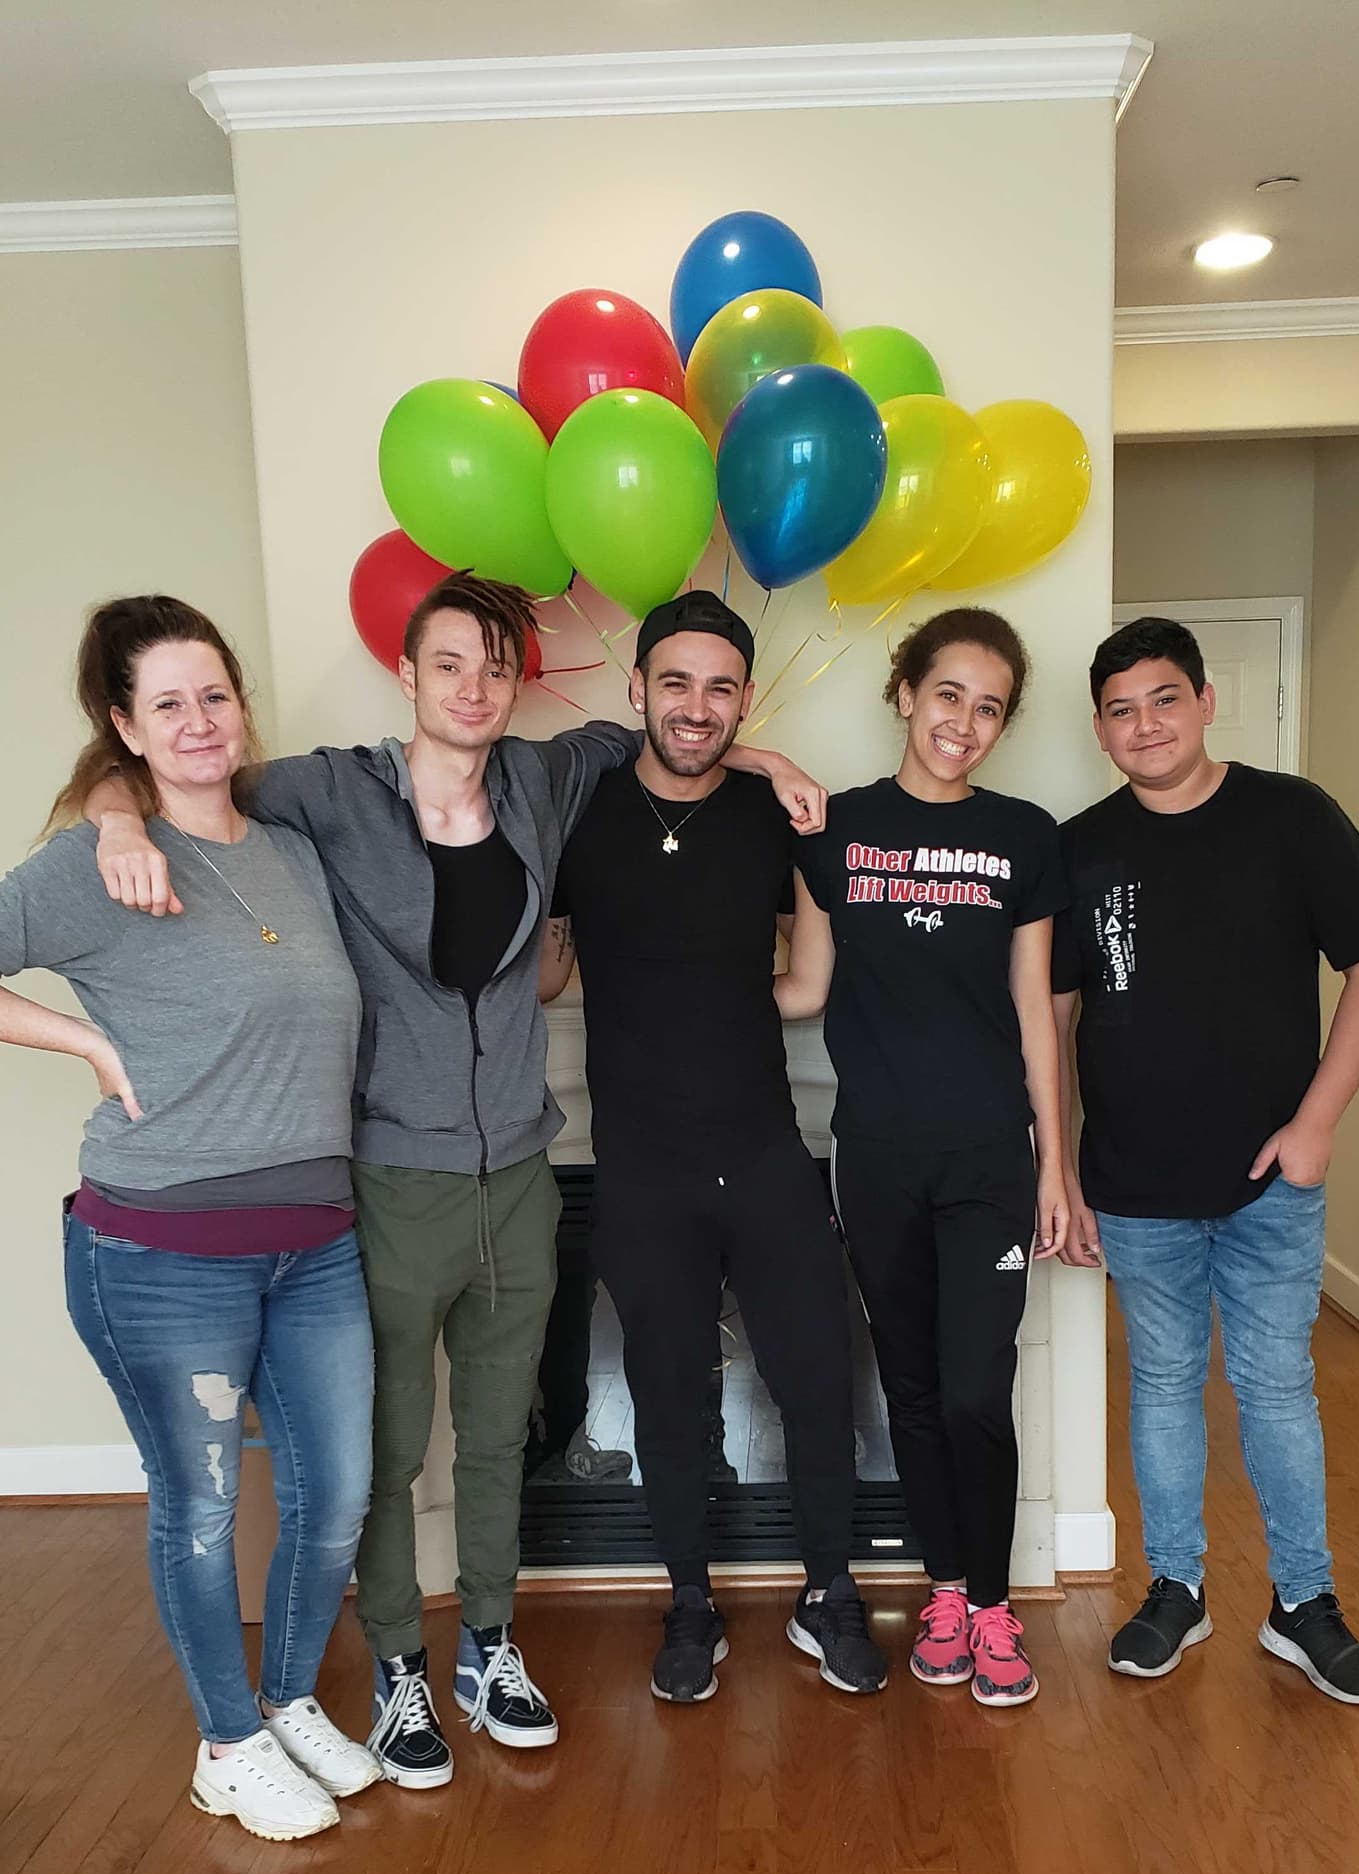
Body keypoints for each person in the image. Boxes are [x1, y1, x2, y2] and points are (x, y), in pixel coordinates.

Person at [91, 576, 827, 1776]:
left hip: (521, 1174)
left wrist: (776, 761)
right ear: (407, 675)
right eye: (449, 664)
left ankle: (490, 1643)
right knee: (387, 1449)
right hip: (392, 1178)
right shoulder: (333, 790)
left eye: (495, 666)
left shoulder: (545, 777)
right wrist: (117, 824)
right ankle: (399, 1668)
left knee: (496, 1437)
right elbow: (186, 768)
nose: (475, 688)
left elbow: (680, 736)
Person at [0, 596, 379, 1843]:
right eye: (167, 703)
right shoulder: (96, 864)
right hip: (162, 1254)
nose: (199, 720)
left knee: (336, 1495)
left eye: (214, 694)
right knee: (203, 1508)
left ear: (242, 705)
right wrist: (85, 1042)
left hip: (316, 1243)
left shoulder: (291, 852)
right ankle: (227, 1745)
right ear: (125, 726)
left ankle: (286, 1702)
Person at [1053, 615, 1359, 1707]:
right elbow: (1054, 1017)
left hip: (1270, 1184)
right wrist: (1060, 1169)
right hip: (1134, 1183)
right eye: (1121, 710)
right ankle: (1177, 1588)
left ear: (1206, 702)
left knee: (1276, 1389)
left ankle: (1304, 1603)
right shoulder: (1080, 847)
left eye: (1165, 699)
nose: (1146, 725)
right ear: (1101, 730)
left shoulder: (1293, 816)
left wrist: (1317, 1125)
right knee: (1163, 1386)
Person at [539, 592, 889, 1706]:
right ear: (636, 688)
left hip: (765, 1150)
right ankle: (688, 1601)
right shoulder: (577, 809)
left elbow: (808, 985)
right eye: (676, 682)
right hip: (643, 1167)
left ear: (745, 700)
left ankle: (828, 1590)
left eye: (721, 687)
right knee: (665, 1389)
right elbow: (546, 976)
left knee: (818, 1379)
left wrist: (717, 996)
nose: (697, 707)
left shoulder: (774, 816)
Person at [774, 607, 1068, 1706]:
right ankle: (945, 1591)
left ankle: (992, 1608)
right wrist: (684, 1002)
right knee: (912, 1388)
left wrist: (1056, 1166)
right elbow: (806, 987)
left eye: (989, 707)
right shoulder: (835, 831)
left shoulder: (1025, 835)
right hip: (877, 1159)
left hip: (990, 1160)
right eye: (949, 694)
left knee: (978, 1391)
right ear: (904, 692)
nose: (964, 723)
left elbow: (1035, 1010)